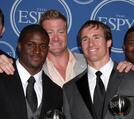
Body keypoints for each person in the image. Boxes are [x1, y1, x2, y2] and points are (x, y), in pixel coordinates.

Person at [0, 9, 133, 82]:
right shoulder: (30, 67)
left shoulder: (89, 61)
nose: (56, 38)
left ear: (67, 33)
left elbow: (111, 71)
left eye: (61, 31)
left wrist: (130, 66)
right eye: (49, 32)